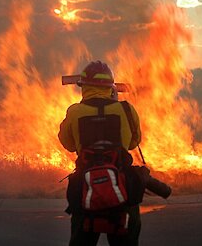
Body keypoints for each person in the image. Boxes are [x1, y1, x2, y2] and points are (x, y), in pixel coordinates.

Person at [58, 60, 143, 246]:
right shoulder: (127, 110)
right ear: (111, 86)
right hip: (122, 190)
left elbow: (68, 144)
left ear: (84, 86)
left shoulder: (74, 112)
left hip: (85, 190)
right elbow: (134, 142)